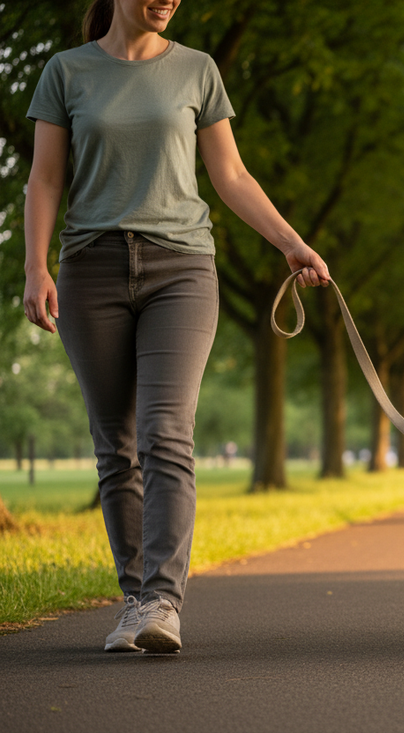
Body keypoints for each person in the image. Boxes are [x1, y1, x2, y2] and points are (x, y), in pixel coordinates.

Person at [23, 0, 330, 654]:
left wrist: (291, 243)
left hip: (181, 268)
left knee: (165, 430)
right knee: (115, 445)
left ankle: (163, 599)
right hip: (91, 268)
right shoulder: (66, 72)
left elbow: (231, 174)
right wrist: (35, 266)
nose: (168, 0)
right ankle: (132, 598)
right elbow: (45, 179)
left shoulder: (197, 70)